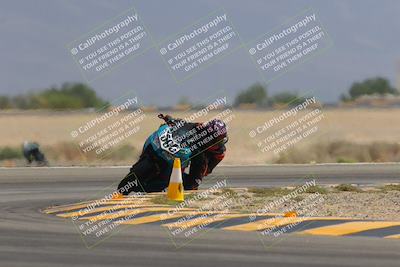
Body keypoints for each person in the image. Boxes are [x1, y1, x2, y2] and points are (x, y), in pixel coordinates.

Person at [117, 114, 228, 195]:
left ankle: (181, 196)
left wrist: (197, 175)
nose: (211, 139)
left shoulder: (219, 152)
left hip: (200, 160)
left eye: (216, 139)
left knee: (192, 184)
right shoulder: (200, 128)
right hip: (180, 150)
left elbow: (207, 170)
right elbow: (185, 124)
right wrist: (171, 121)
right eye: (209, 134)